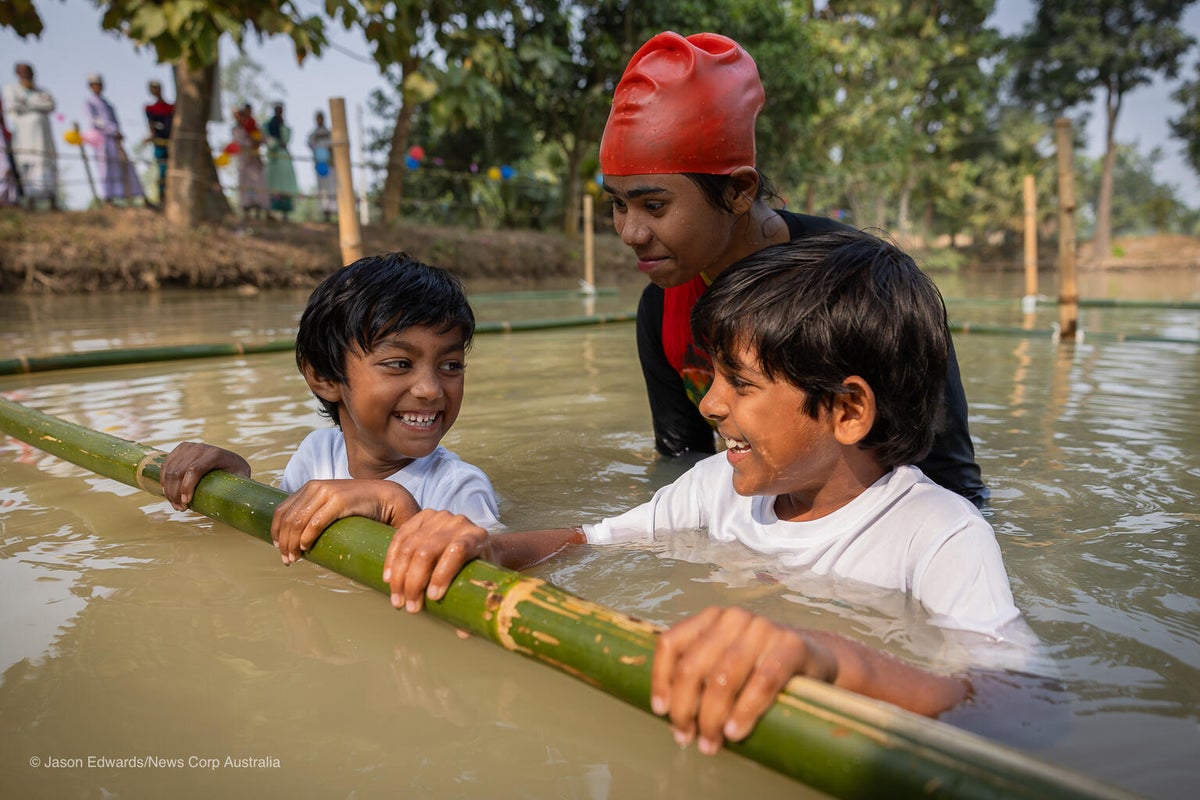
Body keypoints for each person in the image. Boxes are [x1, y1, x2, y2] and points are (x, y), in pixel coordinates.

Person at [378, 229, 1022, 754]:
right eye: (712, 376)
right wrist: (488, 548)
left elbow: (1016, 705)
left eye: (739, 384)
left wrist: (831, 659)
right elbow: (589, 541)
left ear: (848, 410)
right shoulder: (718, 486)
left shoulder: (941, 532)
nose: (709, 404)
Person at [598, 31, 988, 507]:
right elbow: (683, 464)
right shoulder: (660, 308)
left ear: (739, 190)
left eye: (654, 206)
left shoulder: (869, 286)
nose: (630, 232)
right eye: (618, 204)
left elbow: (949, 476)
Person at [160, 252, 502, 564]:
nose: (431, 390)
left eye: (451, 365)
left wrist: (398, 505)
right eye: (399, 363)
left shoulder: (457, 487)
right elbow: (283, 529)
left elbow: (489, 566)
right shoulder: (317, 453)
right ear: (323, 377)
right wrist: (237, 485)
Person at [2, 62, 57, 210]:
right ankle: (30, 202)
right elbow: (13, 107)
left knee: (47, 165)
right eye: (23, 72)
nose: (26, 75)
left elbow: (51, 105)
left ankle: (52, 201)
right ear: (17, 74)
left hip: (44, 139)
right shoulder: (11, 89)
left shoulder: (41, 91)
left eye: (29, 72)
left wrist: (28, 103)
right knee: (28, 167)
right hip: (25, 137)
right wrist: (37, 104)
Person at [85, 72, 144, 204]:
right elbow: (95, 121)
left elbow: (115, 121)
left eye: (99, 84)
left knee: (124, 165)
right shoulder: (89, 103)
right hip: (102, 141)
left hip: (115, 141)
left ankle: (134, 195)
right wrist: (112, 130)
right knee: (105, 168)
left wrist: (118, 133)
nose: (97, 87)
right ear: (90, 86)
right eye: (94, 85)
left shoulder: (108, 104)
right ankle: (108, 198)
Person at [231, 104, 268, 219]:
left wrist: (256, 140)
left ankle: (261, 208)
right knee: (244, 184)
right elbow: (237, 143)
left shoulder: (255, 127)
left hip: (254, 160)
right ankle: (246, 209)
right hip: (243, 160)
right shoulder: (236, 129)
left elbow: (263, 139)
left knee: (258, 183)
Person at [265, 102, 299, 220]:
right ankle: (271, 210)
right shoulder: (268, 125)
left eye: (281, 110)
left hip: (284, 157)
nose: (279, 112)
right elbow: (266, 138)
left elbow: (287, 139)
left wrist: (282, 127)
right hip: (273, 157)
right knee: (272, 183)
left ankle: (286, 211)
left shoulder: (285, 127)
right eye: (277, 109)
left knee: (285, 184)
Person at [143, 79, 174, 206]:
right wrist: (151, 136)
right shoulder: (150, 108)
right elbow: (151, 126)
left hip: (171, 142)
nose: (154, 91)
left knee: (172, 169)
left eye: (156, 88)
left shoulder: (171, 107)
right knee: (162, 169)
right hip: (159, 143)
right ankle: (162, 198)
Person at [307, 110, 336, 223]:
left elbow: (333, 144)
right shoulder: (313, 134)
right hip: (320, 164)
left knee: (332, 187)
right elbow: (310, 143)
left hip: (330, 164)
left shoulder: (329, 132)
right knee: (322, 189)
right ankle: (324, 211)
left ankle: (332, 211)